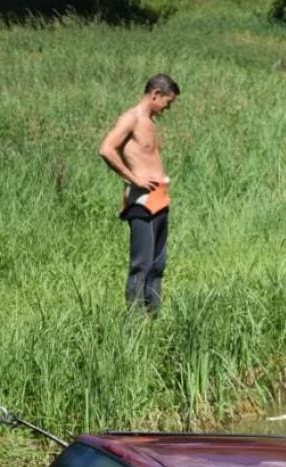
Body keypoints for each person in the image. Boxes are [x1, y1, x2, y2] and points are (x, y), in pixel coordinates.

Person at [98, 74, 180, 313]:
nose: (168, 108)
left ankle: (153, 318)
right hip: (141, 203)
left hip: (160, 200)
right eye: (168, 102)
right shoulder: (131, 119)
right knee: (141, 266)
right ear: (155, 94)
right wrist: (132, 177)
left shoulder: (151, 122)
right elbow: (106, 148)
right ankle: (134, 327)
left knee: (158, 265)